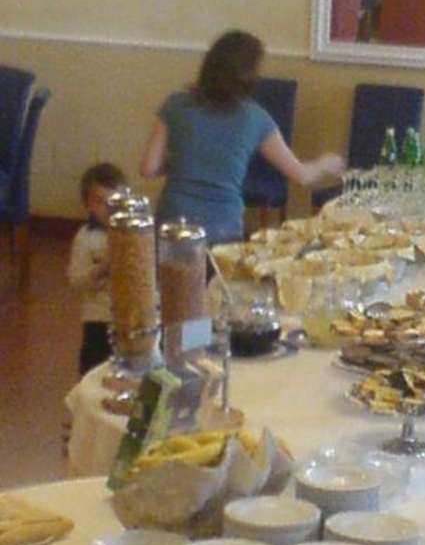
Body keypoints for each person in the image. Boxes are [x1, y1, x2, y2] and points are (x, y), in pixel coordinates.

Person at [140, 30, 344, 244]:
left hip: (171, 220)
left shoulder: (175, 104)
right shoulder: (256, 118)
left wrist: (185, 162)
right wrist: (326, 163)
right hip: (221, 226)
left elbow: (148, 168)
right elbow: (301, 176)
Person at [67, 162, 128, 376]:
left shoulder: (133, 235)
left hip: (129, 319)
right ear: (87, 204)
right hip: (98, 320)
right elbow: (76, 281)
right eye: (100, 201)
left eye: (115, 201)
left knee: (129, 370)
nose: (109, 208)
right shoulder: (85, 238)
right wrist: (102, 269)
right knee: (92, 371)